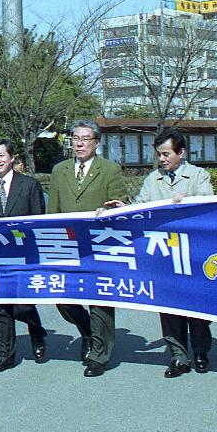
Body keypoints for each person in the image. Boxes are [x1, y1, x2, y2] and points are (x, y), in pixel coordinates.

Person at [48, 120, 129, 378]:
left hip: (99, 244)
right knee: (63, 299)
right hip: (66, 244)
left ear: (96, 142)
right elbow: (52, 211)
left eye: (85, 138)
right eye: (75, 138)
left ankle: (99, 355)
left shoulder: (109, 170)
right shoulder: (59, 170)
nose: (79, 143)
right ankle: (87, 331)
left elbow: (120, 204)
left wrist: (112, 209)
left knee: (99, 301)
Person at [139, 129, 215, 378]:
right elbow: (140, 205)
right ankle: (178, 356)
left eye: (166, 154)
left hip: (192, 252)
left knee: (196, 305)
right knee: (169, 307)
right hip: (164, 254)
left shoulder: (198, 175)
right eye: (159, 154)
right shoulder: (153, 179)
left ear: (181, 153)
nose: (161, 159)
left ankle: (201, 350)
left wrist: (189, 199)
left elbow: (209, 203)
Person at [0, 137, 48, 374]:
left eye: (1, 155)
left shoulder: (29, 185)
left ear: (12, 157)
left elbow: (39, 220)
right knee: (0, 307)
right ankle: (5, 355)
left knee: (22, 306)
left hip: (24, 255)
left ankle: (35, 329)